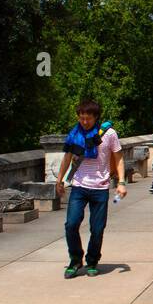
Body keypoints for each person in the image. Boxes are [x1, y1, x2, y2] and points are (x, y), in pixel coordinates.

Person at [56, 99, 126, 278]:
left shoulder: (108, 134)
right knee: (71, 224)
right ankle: (75, 259)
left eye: (87, 118)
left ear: (96, 117)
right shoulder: (74, 134)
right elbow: (67, 158)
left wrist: (121, 182)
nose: (84, 122)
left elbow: (118, 157)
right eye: (81, 118)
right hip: (79, 185)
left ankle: (92, 260)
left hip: (100, 187)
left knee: (97, 228)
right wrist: (60, 180)